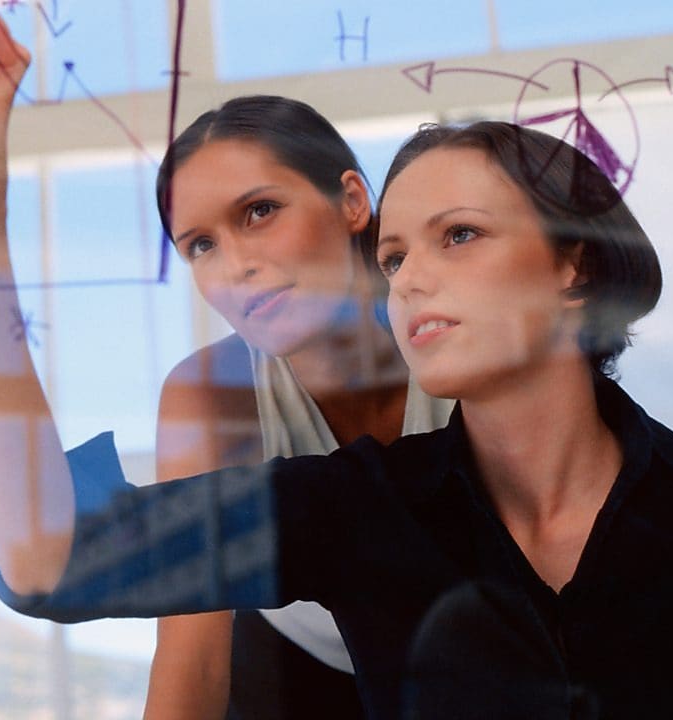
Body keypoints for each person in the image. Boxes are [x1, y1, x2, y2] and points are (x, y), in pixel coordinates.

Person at [0, 6, 673, 718]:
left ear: (574, 265)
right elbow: (52, 560)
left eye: (458, 235)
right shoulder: (364, 506)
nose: (413, 276)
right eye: (395, 259)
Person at [150, 95, 452, 718]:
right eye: (201, 246)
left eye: (260, 211)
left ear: (352, 201)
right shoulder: (209, 397)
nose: (236, 266)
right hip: (293, 673)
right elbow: (193, 658)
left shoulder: (459, 338)